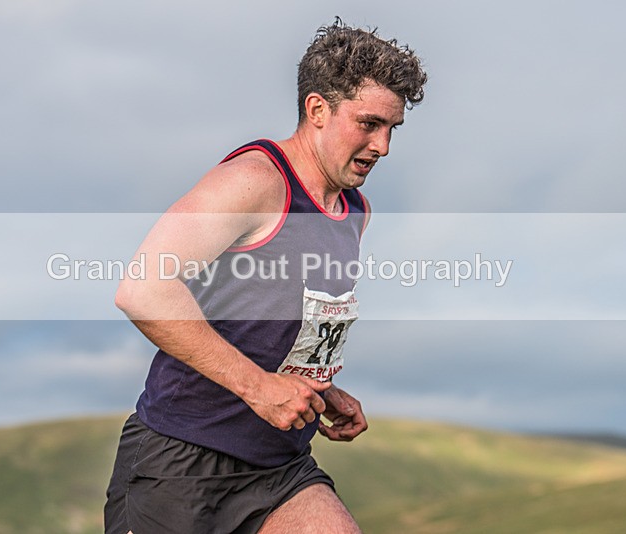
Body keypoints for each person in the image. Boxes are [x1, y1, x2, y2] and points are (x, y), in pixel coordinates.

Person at [105, 18, 426, 534]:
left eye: (393, 129)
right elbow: (143, 289)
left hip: (279, 469)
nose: (383, 146)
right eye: (369, 124)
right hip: (181, 461)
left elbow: (281, 324)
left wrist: (318, 389)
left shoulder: (355, 211)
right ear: (317, 109)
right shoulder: (254, 181)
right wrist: (258, 387)